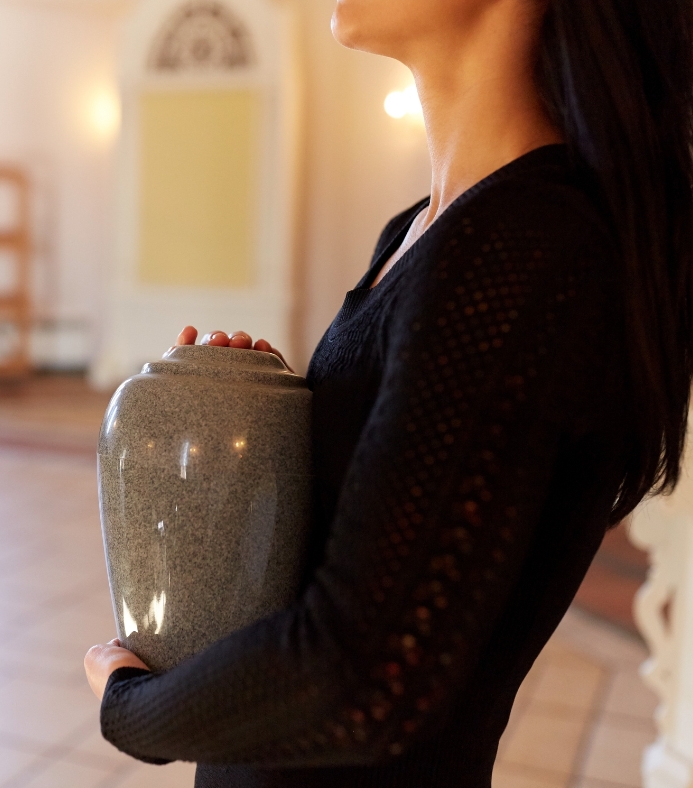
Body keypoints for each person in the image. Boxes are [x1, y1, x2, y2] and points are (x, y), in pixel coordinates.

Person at [85, 0, 693, 783]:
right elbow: (377, 532)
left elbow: (365, 678)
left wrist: (132, 707)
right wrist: (262, 413)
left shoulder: (519, 249)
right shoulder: (428, 233)